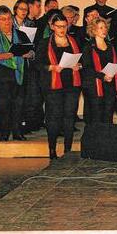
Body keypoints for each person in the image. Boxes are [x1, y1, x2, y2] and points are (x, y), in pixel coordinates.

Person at [35, 13, 82, 158]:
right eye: (59, 26)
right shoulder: (44, 43)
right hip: (52, 86)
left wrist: (78, 66)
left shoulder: (74, 41)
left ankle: (68, 150)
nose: (62, 29)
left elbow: (82, 61)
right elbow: (37, 65)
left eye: (64, 26)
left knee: (69, 117)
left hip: (71, 85)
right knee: (54, 117)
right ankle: (52, 149)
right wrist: (52, 67)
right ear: (52, 26)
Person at [0, 6, 32, 141]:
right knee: (3, 106)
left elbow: (32, 50)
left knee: (19, 105)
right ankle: (4, 133)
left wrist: (28, 53)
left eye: (9, 18)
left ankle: (17, 132)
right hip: (0, 77)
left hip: (19, 76)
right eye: (3, 19)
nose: (7, 22)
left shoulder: (21, 35)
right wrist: (5, 55)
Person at [81, 17, 117, 124]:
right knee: (96, 116)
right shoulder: (88, 47)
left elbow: (114, 64)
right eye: (100, 28)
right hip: (94, 85)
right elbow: (87, 68)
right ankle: (96, 139)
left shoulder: (110, 45)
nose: (104, 30)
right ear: (93, 30)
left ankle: (106, 139)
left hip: (110, 84)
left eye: (105, 28)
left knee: (108, 115)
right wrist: (102, 76)